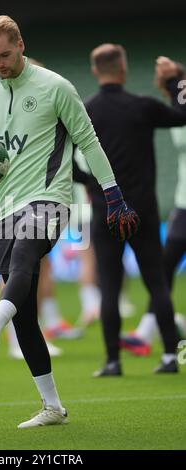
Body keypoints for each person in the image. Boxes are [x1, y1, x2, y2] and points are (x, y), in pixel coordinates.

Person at [0, 18, 139, 428]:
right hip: (3, 208)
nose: (0, 64)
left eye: (5, 54)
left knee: (26, 255)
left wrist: (114, 195)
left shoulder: (55, 87)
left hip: (49, 199)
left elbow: (88, 141)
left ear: (20, 44)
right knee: (27, 314)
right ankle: (52, 407)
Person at [85, 44, 186, 377]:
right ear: (123, 70)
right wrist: (176, 82)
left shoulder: (87, 112)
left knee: (110, 288)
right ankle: (170, 357)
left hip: (106, 212)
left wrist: (89, 183)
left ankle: (113, 362)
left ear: (95, 71)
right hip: (142, 209)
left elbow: (57, 157)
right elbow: (182, 113)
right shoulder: (141, 107)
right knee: (157, 283)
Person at [121, 56, 186, 355]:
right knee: (164, 265)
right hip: (183, 204)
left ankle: (152, 331)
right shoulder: (175, 111)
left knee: (164, 266)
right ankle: (149, 332)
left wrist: (176, 80)